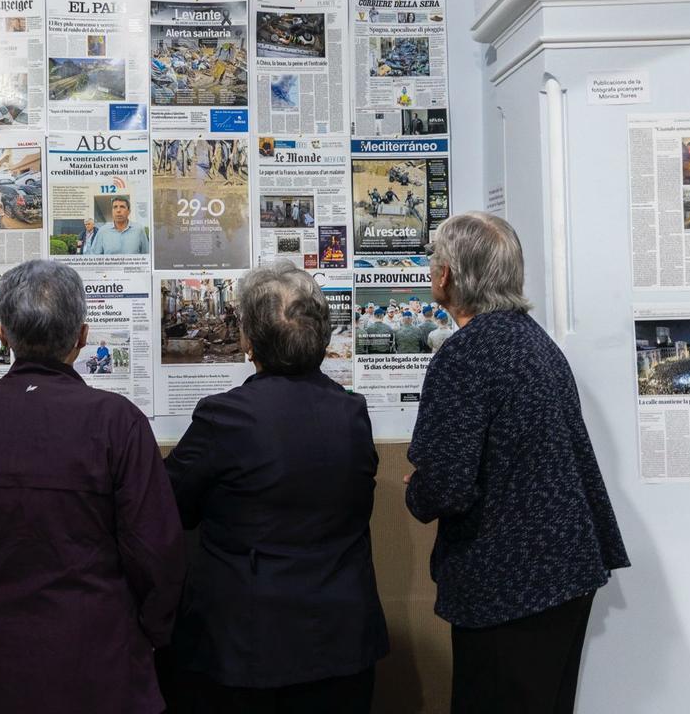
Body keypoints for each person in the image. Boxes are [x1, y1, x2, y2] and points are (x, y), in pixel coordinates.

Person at [0, 260, 185, 714]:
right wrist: (148, 632)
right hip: (98, 666)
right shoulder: (117, 422)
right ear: (82, 337)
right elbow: (157, 550)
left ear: (2, 335)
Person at [404, 212, 629, 714]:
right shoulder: (536, 341)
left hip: (510, 585)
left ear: (447, 277)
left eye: (434, 260)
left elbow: (447, 487)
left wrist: (416, 487)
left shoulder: (465, 356)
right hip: (565, 570)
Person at [164, 262, 388, 714]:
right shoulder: (352, 413)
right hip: (340, 639)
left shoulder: (223, 417)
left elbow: (172, 506)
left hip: (247, 645)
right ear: (323, 338)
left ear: (247, 341)